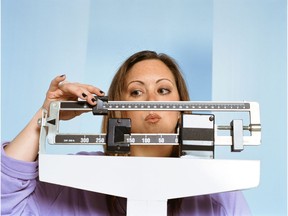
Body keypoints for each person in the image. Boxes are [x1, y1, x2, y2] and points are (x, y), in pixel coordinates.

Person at [1, 50, 251, 215]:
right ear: (119, 110)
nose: (151, 100)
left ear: (182, 107)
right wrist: (44, 114)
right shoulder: (76, 178)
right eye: (136, 92)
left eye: (163, 90)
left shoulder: (216, 191)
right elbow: (6, 202)